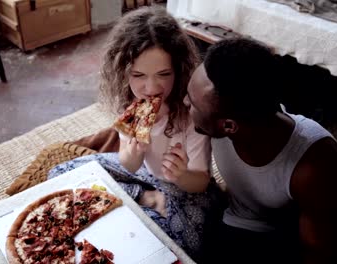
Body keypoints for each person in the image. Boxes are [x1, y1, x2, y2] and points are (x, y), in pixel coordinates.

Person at [48, 6, 221, 261]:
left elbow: (201, 182)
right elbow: (129, 165)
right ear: (123, 73)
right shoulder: (129, 104)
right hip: (143, 175)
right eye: (138, 75)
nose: (151, 88)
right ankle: (145, 197)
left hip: (187, 189)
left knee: (173, 246)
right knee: (60, 174)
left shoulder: (189, 113)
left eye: (164, 75)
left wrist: (182, 174)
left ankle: (147, 201)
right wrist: (131, 152)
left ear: (179, 70)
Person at [185, 38, 337, 263]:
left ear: (229, 126)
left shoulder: (314, 165)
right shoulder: (222, 118)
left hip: (284, 239)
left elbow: (317, 251)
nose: (184, 102)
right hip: (233, 220)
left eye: (192, 103)